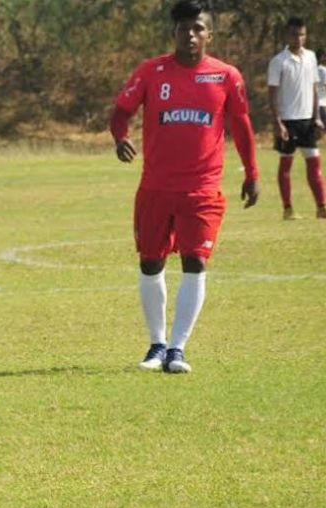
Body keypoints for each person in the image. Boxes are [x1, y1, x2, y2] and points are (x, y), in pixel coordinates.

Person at [110, 0, 260, 374]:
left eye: (197, 28)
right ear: (174, 32)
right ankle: (156, 344)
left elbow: (241, 126)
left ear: (210, 34)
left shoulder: (226, 76)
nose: (190, 35)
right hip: (156, 188)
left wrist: (252, 173)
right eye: (183, 28)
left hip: (203, 190)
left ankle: (178, 349)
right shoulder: (151, 71)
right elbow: (120, 111)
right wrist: (119, 137)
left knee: (196, 261)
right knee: (151, 262)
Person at [266, 17, 325, 220]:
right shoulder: (278, 62)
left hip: (307, 120)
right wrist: (277, 122)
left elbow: (314, 88)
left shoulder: (310, 57)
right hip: (288, 121)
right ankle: (288, 208)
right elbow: (272, 94)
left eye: (301, 34)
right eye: (294, 34)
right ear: (286, 35)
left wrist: (317, 117)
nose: (298, 38)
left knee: (314, 163)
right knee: (286, 166)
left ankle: (321, 207)